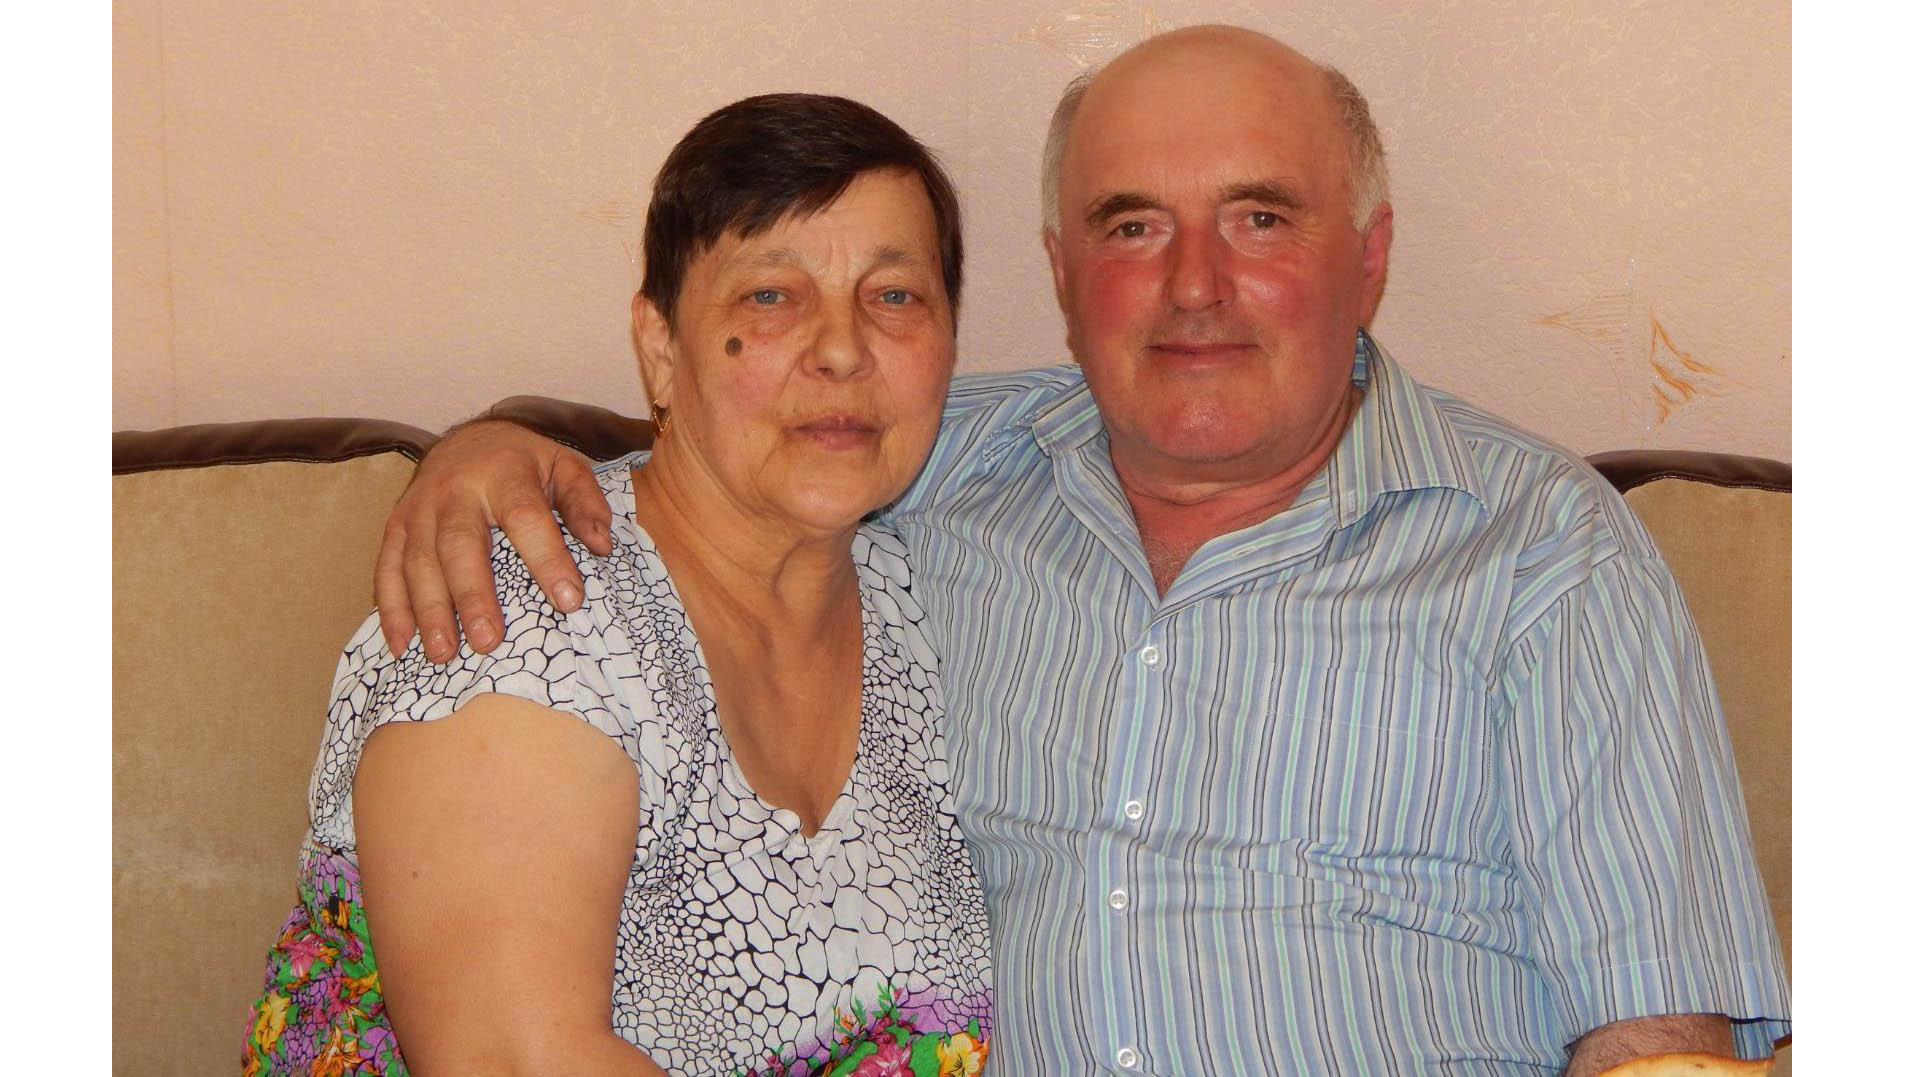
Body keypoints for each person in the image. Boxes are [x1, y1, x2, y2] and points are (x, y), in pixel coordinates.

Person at [375, 27, 1790, 1075]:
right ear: (1061, 274)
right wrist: (490, 448)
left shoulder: (1543, 556)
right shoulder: (935, 467)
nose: (1193, 286)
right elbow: (725, 461)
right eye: (1132, 226)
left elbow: (1655, 1037)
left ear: (1366, 257)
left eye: (1258, 218)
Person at [242, 94, 993, 1076]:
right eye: (771, 295)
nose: (843, 349)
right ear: (660, 348)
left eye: (895, 296)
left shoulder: (933, 595)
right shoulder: (524, 614)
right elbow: (513, 1061)